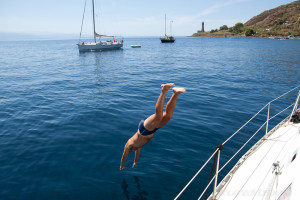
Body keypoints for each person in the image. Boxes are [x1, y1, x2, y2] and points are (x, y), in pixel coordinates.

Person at [120, 83, 186, 170]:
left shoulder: (129, 145)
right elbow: (137, 152)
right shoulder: (137, 147)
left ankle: (164, 90)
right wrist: (135, 161)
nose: (131, 151)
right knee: (168, 116)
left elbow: (124, 156)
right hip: (152, 130)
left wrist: (122, 165)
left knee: (158, 116)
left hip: (144, 129)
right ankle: (175, 93)